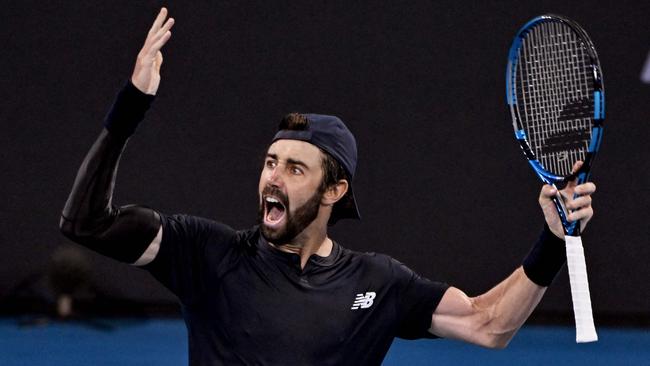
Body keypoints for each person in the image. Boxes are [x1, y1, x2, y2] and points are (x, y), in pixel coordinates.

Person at [60, 8, 597, 366]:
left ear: (334, 190)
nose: (273, 176)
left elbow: (489, 325)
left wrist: (551, 240)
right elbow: (86, 223)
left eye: (296, 169)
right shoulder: (205, 254)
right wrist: (130, 105)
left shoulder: (380, 282)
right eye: (271, 162)